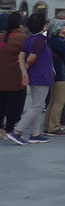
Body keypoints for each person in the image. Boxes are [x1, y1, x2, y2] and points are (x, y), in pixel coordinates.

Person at [12, 10, 53, 143]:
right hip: (41, 76)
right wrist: (27, 68)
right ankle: (17, 131)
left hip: (32, 76)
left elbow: (21, 57)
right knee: (37, 107)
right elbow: (30, 59)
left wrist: (24, 72)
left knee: (35, 105)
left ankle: (35, 134)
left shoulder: (29, 39)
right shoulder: (41, 40)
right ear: (43, 26)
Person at [1, 12, 29, 144]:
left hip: (2, 76)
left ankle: (1, 130)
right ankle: (9, 130)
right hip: (15, 77)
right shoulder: (22, 37)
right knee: (14, 106)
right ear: (20, 24)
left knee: (1, 104)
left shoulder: (3, 37)